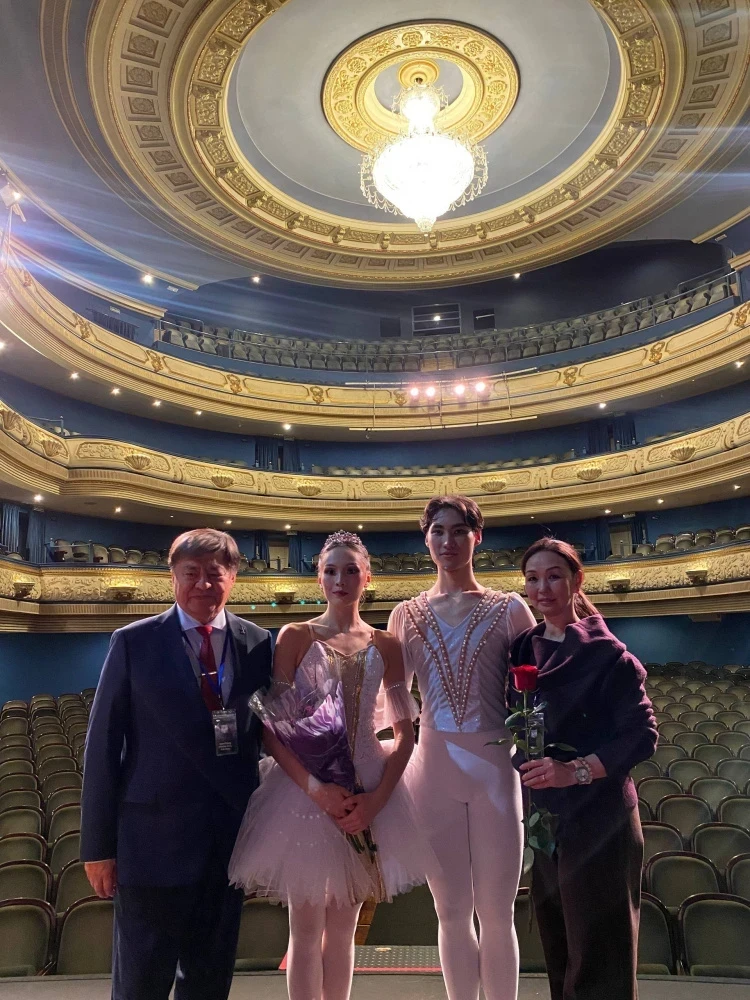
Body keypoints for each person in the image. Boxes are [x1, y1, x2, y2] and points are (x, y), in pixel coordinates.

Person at [229, 531, 429, 1000]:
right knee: (304, 928)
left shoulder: (387, 644)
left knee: (343, 930)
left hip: (370, 789)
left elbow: (405, 736)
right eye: (331, 571)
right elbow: (273, 730)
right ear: (319, 578)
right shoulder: (296, 636)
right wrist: (317, 790)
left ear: (367, 578)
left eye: (351, 570)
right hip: (305, 791)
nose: (341, 579)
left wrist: (376, 801)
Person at [81, 529, 272, 1000]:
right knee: (140, 985)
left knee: (209, 983)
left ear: (233, 577)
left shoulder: (257, 643)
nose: (203, 584)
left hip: (227, 846)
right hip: (152, 846)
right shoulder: (133, 642)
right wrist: (97, 848)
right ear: (173, 577)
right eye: (192, 573)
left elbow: (266, 738)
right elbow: (102, 746)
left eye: (215, 573)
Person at [387, 496, 536, 1000]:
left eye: (458, 530)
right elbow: (395, 698)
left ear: (477, 537)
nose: (447, 541)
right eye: (437, 531)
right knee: (449, 910)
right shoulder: (404, 614)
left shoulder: (510, 608)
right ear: (425, 539)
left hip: (496, 768)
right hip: (432, 770)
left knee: (497, 911)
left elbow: (535, 693)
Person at [509, 537, 657, 1000]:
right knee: (560, 948)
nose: (542, 588)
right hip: (546, 819)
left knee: (600, 958)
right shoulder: (523, 649)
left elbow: (641, 734)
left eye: (554, 576)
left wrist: (573, 770)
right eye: (533, 578)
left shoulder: (609, 654)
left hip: (600, 819)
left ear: (577, 581)